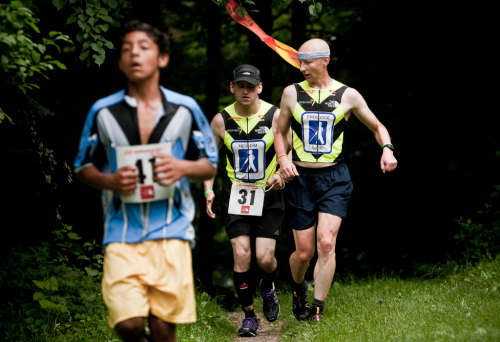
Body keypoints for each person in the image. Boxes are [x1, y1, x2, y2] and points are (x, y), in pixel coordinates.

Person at [73, 20, 218, 342]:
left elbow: (210, 165)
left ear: (162, 58)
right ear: (120, 61)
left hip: (172, 228)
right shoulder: (102, 111)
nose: (134, 54)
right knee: (128, 325)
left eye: (143, 47)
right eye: (126, 49)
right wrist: (109, 180)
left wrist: (182, 167)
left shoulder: (185, 107)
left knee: (165, 329)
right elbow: (82, 166)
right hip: (121, 231)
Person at [274, 38, 398, 322]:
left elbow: (377, 126)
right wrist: (283, 160)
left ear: (325, 60)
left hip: (334, 178)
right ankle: (298, 289)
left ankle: (317, 309)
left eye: (307, 62)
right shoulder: (291, 93)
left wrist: (387, 149)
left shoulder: (348, 95)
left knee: (326, 243)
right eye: (299, 62)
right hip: (300, 178)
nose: (302, 68)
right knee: (304, 253)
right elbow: (280, 133)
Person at [204, 64, 291, 337]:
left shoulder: (275, 116)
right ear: (232, 87)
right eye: (240, 85)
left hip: (269, 194)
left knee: (265, 259)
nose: (245, 91)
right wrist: (209, 190)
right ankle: (250, 316)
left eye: (250, 86)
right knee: (241, 254)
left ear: (259, 88)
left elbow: (288, 149)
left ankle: (268, 286)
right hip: (235, 196)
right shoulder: (220, 120)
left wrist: (280, 174)